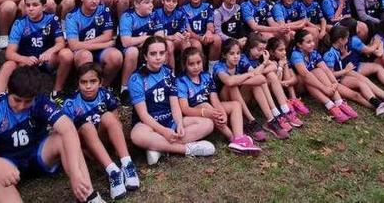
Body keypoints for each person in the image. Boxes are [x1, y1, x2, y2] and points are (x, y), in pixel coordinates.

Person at [0, 66, 103, 203]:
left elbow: (68, 129)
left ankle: (88, 195)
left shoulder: (40, 102)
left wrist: (75, 174)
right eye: (17, 100)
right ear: (8, 90)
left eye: (28, 101)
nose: (21, 106)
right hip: (8, 165)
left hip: (37, 155)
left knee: (63, 137)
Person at [128, 36, 216, 166]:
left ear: (166, 54)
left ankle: (157, 147)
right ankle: (186, 149)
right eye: (153, 54)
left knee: (208, 124)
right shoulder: (137, 78)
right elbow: (143, 115)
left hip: (169, 120)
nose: (158, 57)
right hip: (149, 124)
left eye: (161, 53)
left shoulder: (169, 72)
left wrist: (179, 123)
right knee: (136, 135)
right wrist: (164, 132)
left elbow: (175, 104)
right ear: (145, 56)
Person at [60, 63, 140, 200]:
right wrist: (84, 152)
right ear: (78, 83)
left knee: (108, 116)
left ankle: (127, 163)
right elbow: (68, 135)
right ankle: (113, 172)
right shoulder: (70, 103)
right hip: (85, 145)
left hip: (103, 138)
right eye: (83, 82)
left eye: (93, 81)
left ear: (101, 82)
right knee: (86, 126)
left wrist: (116, 145)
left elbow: (116, 122)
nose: (88, 86)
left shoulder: (106, 95)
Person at [0, 0, 74, 101]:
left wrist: (50, 51)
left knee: (67, 54)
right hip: (27, 62)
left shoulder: (52, 19)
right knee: (9, 64)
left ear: (44, 7)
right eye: (28, 5)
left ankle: (56, 92)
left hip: (47, 59)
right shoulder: (19, 23)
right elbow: (9, 53)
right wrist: (24, 59)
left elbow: (61, 43)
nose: (30, 8)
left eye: (35, 5)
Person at [176, 47, 262, 154]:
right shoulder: (181, 81)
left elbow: (215, 99)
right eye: (191, 64)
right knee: (205, 105)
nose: (196, 67)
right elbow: (185, 109)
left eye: (198, 62)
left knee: (235, 105)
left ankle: (239, 137)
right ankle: (232, 138)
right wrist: (205, 112)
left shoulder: (206, 76)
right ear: (185, 65)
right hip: (195, 113)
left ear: (203, 61)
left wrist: (221, 112)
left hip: (210, 109)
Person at [65, 0, 124, 87]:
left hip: (97, 50)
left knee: (116, 56)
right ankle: (83, 89)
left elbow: (108, 35)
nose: (94, 1)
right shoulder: (72, 16)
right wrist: (105, 44)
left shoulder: (103, 10)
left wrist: (83, 43)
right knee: (85, 55)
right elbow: (73, 46)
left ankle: (102, 87)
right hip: (82, 52)